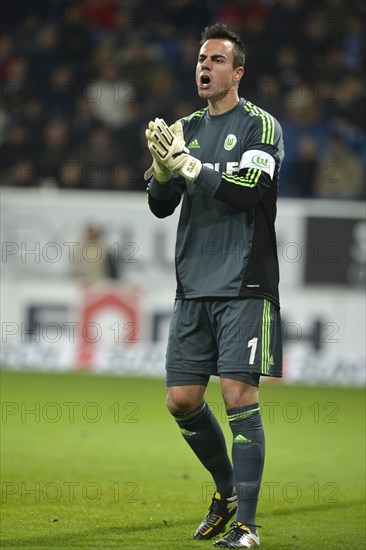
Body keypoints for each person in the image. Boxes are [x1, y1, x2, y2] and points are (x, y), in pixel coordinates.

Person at [144, 22, 284, 548]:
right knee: (180, 400)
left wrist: (191, 166)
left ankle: (247, 526)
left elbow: (250, 192)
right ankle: (225, 493)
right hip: (193, 288)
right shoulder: (182, 128)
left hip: (245, 284)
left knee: (236, 393)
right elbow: (160, 207)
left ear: (238, 72)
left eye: (217, 60)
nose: (205, 67)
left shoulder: (260, 128)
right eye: (201, 59)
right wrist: (162, 170)